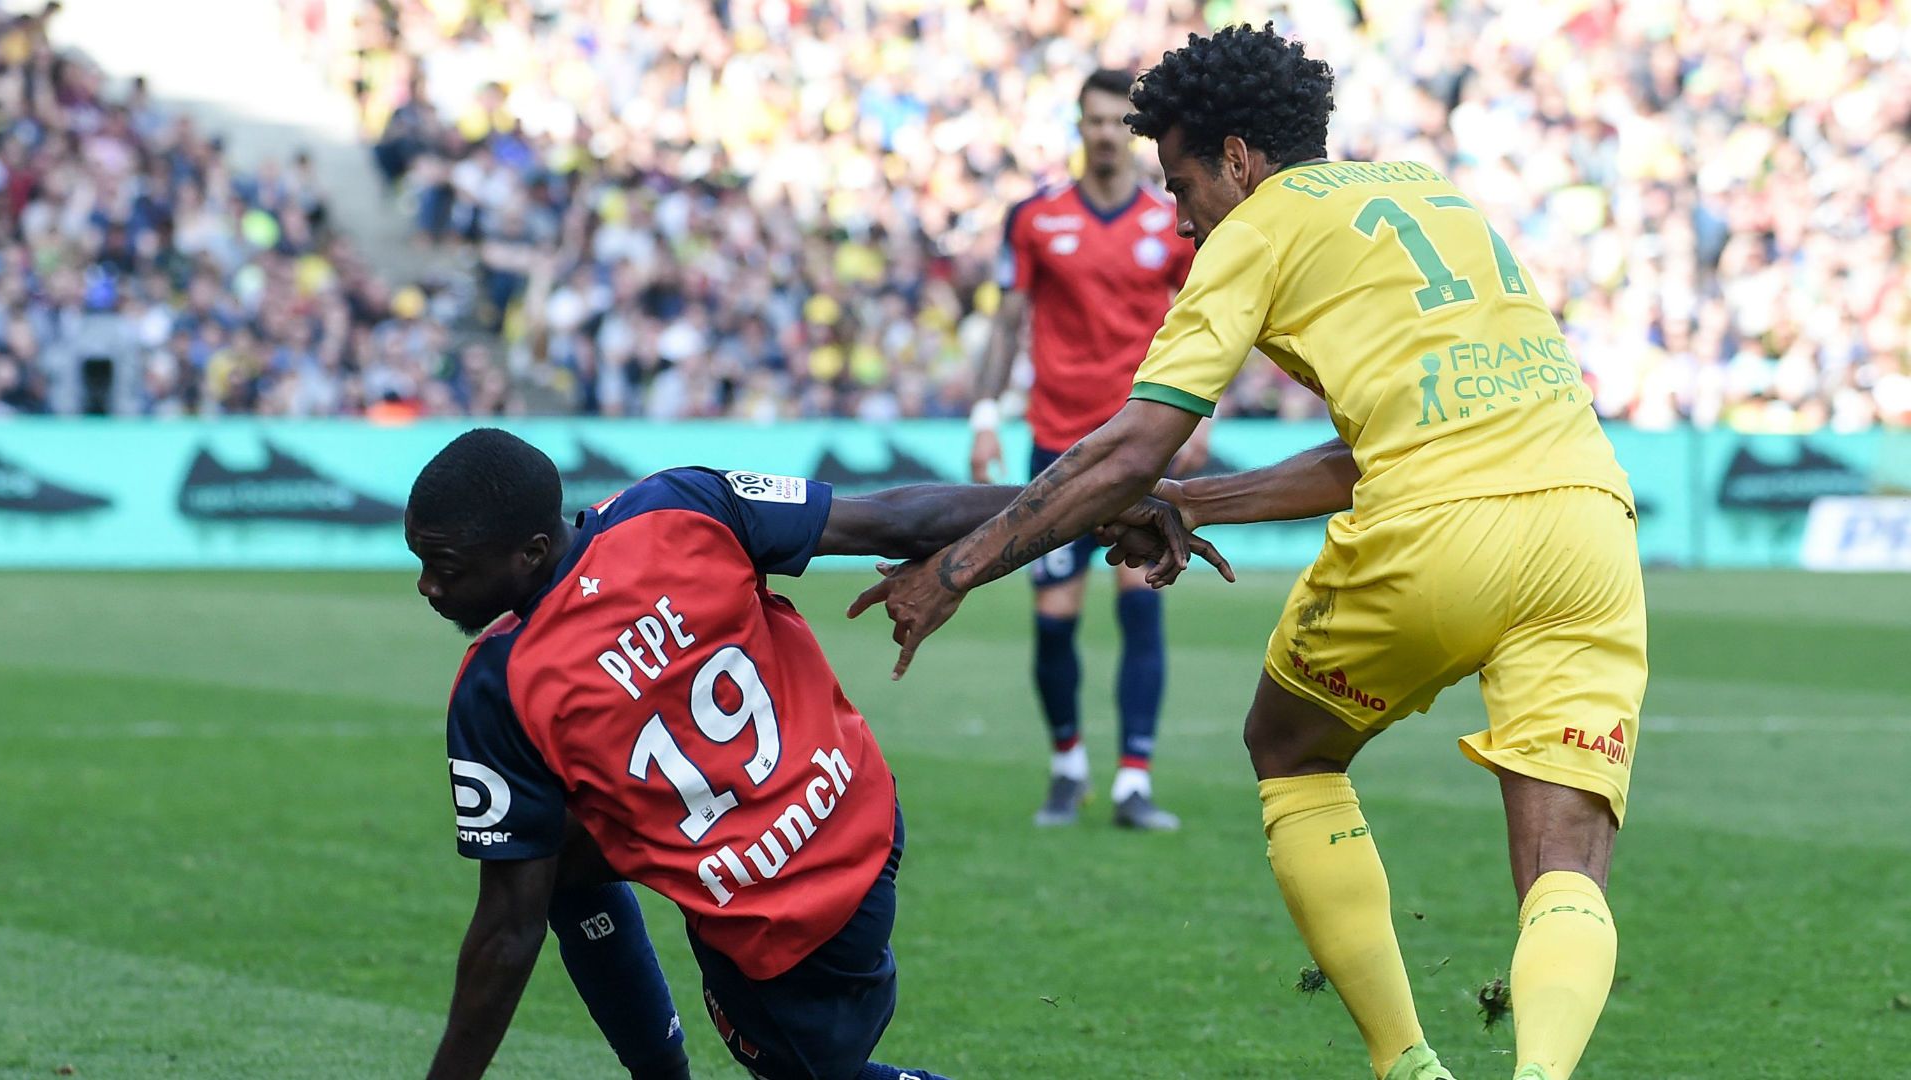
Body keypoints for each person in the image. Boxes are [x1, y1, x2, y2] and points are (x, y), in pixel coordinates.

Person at [854, 25, 1643, 1080]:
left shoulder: (1255, 229)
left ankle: (1407, 1065)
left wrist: (956, 568)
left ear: (1238, 157)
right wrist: (1194, 502)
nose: (1179, 219)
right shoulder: (1435, 193)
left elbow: (1135, 440)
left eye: (1182, 183)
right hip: (1589, 524)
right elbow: (1373, 443)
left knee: (1292, 748)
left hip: (1439, 528)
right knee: (1567, 858)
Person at [406, 428, 1217, 1080]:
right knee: (564, 862)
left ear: (531, 550)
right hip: (858, 814)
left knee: (809, 1071)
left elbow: (505, 933)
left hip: (777, 922)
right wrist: (1084, 504)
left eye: (443, 567)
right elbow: (896, 518)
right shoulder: (679, 503)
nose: (428, 588)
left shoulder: (496, 683)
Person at [972, 67, 1203, 829]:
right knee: (1056, 612)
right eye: (1094, 120)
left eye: (1117, 122)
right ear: (1079, 127)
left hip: (1140, 443)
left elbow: (1203, 319)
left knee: (1143, 603)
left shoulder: (1168, 220)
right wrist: (983, 414)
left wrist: (1201, 415)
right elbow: (1008, 320)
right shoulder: (1034, 217)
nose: (1105, 132)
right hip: (1054, 445)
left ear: (1131, 131)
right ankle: (1068, 763)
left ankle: (1134, 777)